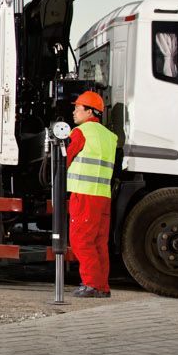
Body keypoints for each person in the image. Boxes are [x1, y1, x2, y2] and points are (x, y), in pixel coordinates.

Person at [66, 90, 117, 298]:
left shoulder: (80, 133)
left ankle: (91, 284)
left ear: (90, 112)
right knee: (99, 243)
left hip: (84, 195)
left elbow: (65, 159)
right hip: (103, 197)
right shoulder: (110, 136)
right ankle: (102, 286)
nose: (74, 112)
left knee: (81, 241)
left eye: (78, 108)